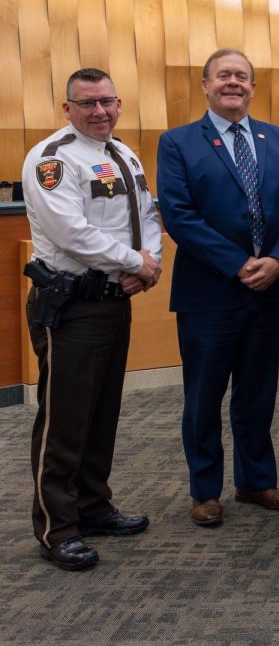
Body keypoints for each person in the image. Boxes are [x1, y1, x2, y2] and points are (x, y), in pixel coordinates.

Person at [157, 48, 279, 527]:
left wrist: (278, 261)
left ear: (252, 87)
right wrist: (239, 263)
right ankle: (205, 490)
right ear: (205, 85)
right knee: (204, 396)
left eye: (242, 77)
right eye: (223, 75)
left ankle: (256, 481)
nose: (233, 83)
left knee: (258, 393)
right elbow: (179, 215)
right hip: (209, 294)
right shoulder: (178, 142)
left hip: (267, 291)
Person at [22, 68, 163, 570]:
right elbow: (70, 232)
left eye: (107, 101)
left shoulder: (122, 153)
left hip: (112, 301)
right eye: (87, 103)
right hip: (71, 306)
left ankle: (93, 506)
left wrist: (151, 263)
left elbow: (147, 213)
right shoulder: (52, 159)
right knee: (64, 419)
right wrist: (134, 262)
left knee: (101, 414)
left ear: (119, 103)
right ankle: (56, 528)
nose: (99, 111)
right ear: (67, 109)